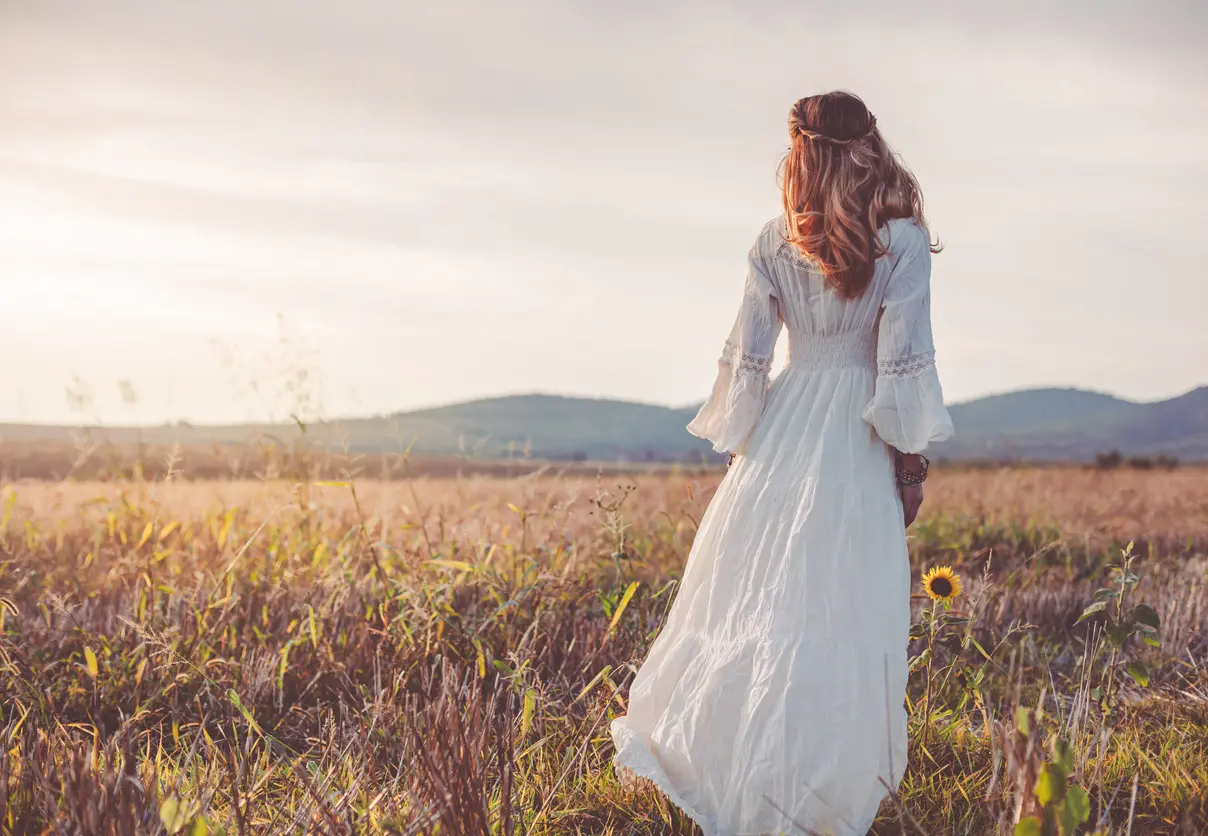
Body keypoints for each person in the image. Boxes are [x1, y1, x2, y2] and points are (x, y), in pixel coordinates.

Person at [609, 90, 954, 835]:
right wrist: (910, 466)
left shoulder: (774, 240)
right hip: (857, 438)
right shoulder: (900, 242)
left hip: (786, 430)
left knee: (762, 602)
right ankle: (819, 785)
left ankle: (744, 766)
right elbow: (898, 374)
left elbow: (752, 366)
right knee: (840, 606)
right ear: (871, 148)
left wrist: (752, 457)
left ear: (799, 153)